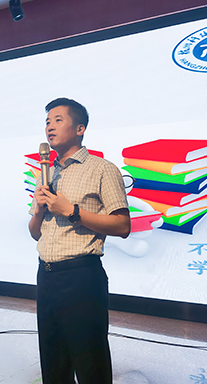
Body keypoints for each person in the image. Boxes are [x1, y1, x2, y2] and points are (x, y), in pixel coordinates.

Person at [28, 97, 131, 384]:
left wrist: (71, 211)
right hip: (46, 276)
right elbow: (35, 232)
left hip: (81, 277)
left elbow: (123, 225)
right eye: (47, 121)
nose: (50, 127)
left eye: (58, 120)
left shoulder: (102, 169)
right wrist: (39, 210)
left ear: (80, 129)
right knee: (53, 364)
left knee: (90, 366)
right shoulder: (46, 174)